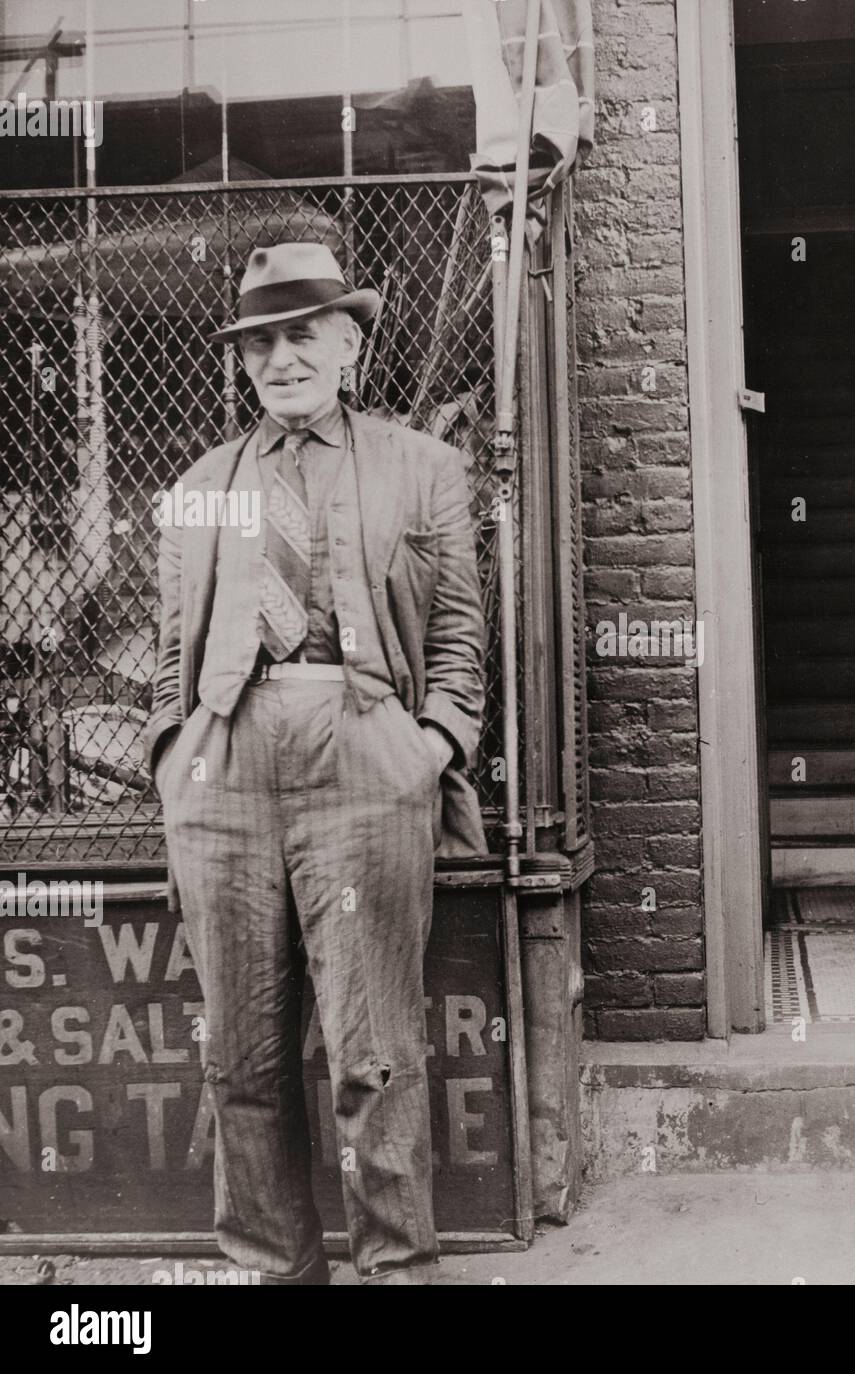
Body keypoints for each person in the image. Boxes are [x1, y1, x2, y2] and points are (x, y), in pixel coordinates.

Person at [145, 241, 488, 1284]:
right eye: (259, 343)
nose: (279, 359)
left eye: (302, 336)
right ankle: (269, 1267)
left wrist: (427, 748)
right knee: (240, 1060)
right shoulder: (204, 485)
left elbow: (462, 637)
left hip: (364, 756)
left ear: (349, 344)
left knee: (371, 1052)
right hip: (227, 766)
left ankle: (397, 1265)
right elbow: (172, 651)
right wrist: (176, 757)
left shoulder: (422, 467)